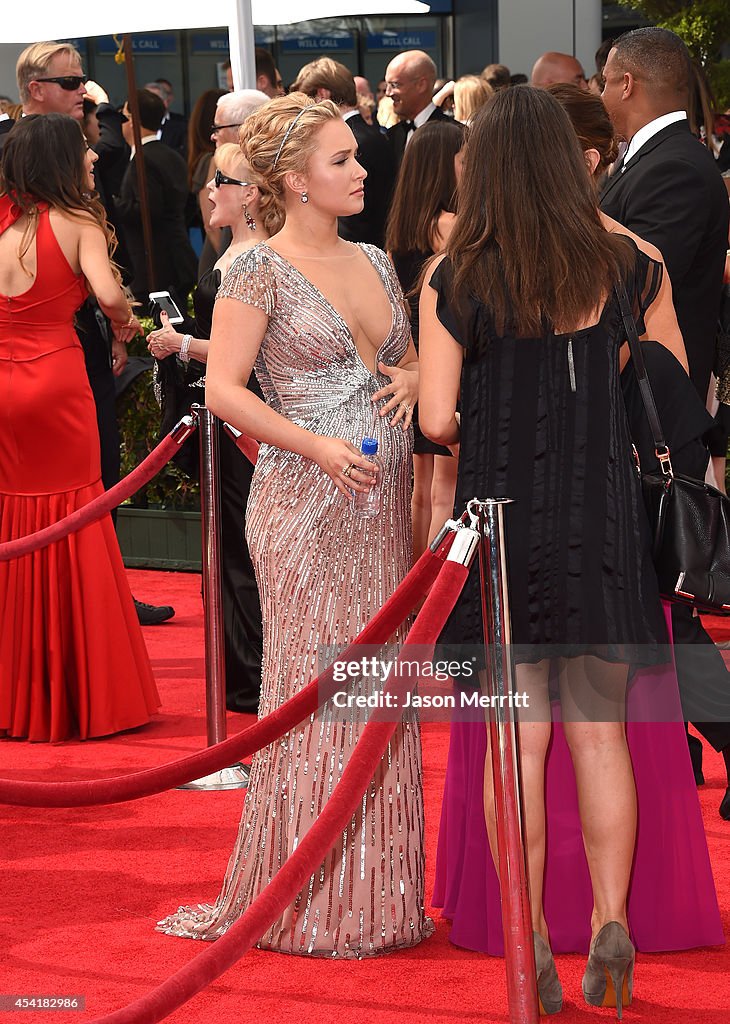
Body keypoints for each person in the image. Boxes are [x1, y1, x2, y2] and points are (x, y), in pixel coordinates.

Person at [418, 86, 722, 1017]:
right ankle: (608, 924)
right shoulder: (630, 263)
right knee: (601, 742)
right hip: (602, 530)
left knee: (517, 745)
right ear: (572, 159)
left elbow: (435, 421)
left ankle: (525, 944)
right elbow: (679, 402)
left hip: (501, 536)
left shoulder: (456, 275)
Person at [157, 94, 431, 956]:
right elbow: (226, 389)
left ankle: (376, 895)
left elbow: (413, 361)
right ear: (293, 181)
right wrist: (315, 443)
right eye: (342, 159)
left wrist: (420, 381)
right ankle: (305, 892)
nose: (360, 170)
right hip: (305, 505)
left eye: (356, 156)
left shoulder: (380, 261)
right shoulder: (256, 270)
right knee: (314, 692)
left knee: (375, 687)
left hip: (382, 501)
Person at [600, 27, 730, 817]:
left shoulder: (677, 169)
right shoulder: (660, 163)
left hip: (651, 408)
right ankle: (671, 749)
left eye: (603, 83)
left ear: (625, 84)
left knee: (661, 595)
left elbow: (640, 286)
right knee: (651, 598)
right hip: (639, 402)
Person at [0, 114, 160, 741]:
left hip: (5, 383)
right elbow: (111, 297)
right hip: (57, 382)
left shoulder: (3, 222)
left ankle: (17, 695)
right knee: (74, 514)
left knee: (15, 520)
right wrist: (122, 320)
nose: (94, 159)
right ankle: (82, 693)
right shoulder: (79, 223)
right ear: (63, 162)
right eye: (86, 153)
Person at [15, 41, 174, 625]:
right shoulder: (16, 157)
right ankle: (62, 602)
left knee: (96, 471)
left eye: (82, 81)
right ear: (35, 88)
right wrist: (120, 318)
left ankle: (93, 592)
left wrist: (114, 332)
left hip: (70, 335)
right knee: (62, 480)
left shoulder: (81, 151)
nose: (83, 90)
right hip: (48, 348)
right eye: (70, 82)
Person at [146, 142, 273, 712]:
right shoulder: (232, 253)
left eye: (219, 179)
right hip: (223, 419)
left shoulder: (252, 259)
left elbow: (241, 349)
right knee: (229, 550)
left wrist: (182, 343)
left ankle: (254, 675)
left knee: (243, 551)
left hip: (244, 422)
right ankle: (244, 671)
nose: (209, 190)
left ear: (249, 193)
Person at [386, 120, 463, 558]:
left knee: (421, 489)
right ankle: (437, 589)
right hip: (443, 361)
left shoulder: (405, 228)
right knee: (444, 490)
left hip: (413, 359)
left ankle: (414, 591)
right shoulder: (451, 226)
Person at [292, 57, 395, 248]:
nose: (305, 110)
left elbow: (351, 218)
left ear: (322, 95)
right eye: (341, 161)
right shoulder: (376, 134)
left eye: (307, 99)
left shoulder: (348, 140)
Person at [116, 89, 197, 310]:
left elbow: (148, 210)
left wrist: (110, 204)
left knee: (165, 331)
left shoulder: (144, 160)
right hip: (179, 257)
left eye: (123, 117)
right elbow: (188, 204)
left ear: (133, 121)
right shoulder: (172, 155)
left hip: (155, 267)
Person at [384, 49, 451, 169]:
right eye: (387, 85)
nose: (388, 93)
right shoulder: (391, 136)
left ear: (421, 85)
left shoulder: (454, 135)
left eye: (394, 85)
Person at [187, 88, 226, 276]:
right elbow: (210, 222)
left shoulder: (207, 159)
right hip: (217, 261)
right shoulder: (211, 160)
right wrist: (230, 266)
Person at [145, 78, 188, 156]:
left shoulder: (181, 127)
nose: (146, 106)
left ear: (165, 103)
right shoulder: (135, 127)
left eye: (152, 101)